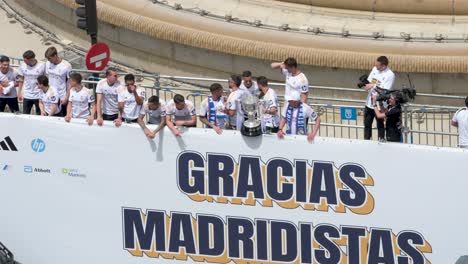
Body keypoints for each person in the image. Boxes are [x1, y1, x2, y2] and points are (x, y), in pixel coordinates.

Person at [364, 56, 395, 141]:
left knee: (380, 126)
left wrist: (373, 86)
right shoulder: (375, 69)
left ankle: (381, 142)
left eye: (378, 66)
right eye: (376, 65)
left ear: (384, 66)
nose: (376, 67)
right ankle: (366, 142)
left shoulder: (390, 75)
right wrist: (366, 85)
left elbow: (385, 91)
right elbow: (369, 81)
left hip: (380, 106)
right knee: (367, 126)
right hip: (369, 104)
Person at [45, 46, 72, 117]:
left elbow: (69, 83)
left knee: (62, 118)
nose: (49, 60)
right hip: (50, 96)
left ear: (55, 55)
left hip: (61, 96)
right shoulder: (48, 64)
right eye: (47, 59)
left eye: (50, 58)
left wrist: (66, 97)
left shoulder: (66, 66)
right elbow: (47, 78)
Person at [17, 50, 46, 115]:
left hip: (39, 95)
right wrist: (19, 93)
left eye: (26, 61)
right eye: (24, 60)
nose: (24, 62)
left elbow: (45, 79)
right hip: (27, 95)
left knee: (39, 115)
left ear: (32, 59)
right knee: (25, 115)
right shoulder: (23, 66)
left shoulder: (42, 65)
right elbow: (21, 79)